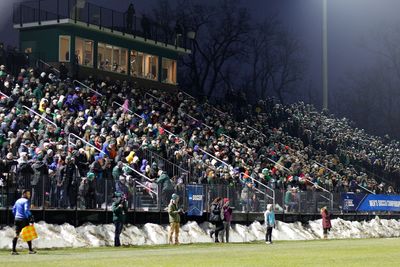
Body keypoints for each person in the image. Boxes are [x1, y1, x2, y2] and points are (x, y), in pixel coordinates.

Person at [11, 189, 36, 255]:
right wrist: (30, 216)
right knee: (28, 234)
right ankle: (30, 250)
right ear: (24, 194)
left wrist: (16, 216)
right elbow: (26, 210)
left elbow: (13, 210)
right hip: (23, 219)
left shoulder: (17, 201)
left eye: (29, 194)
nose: (29, 195)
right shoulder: (26, 201)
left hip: (17, 219)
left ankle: (13, 250)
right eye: (28, 194)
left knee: (16, 234)